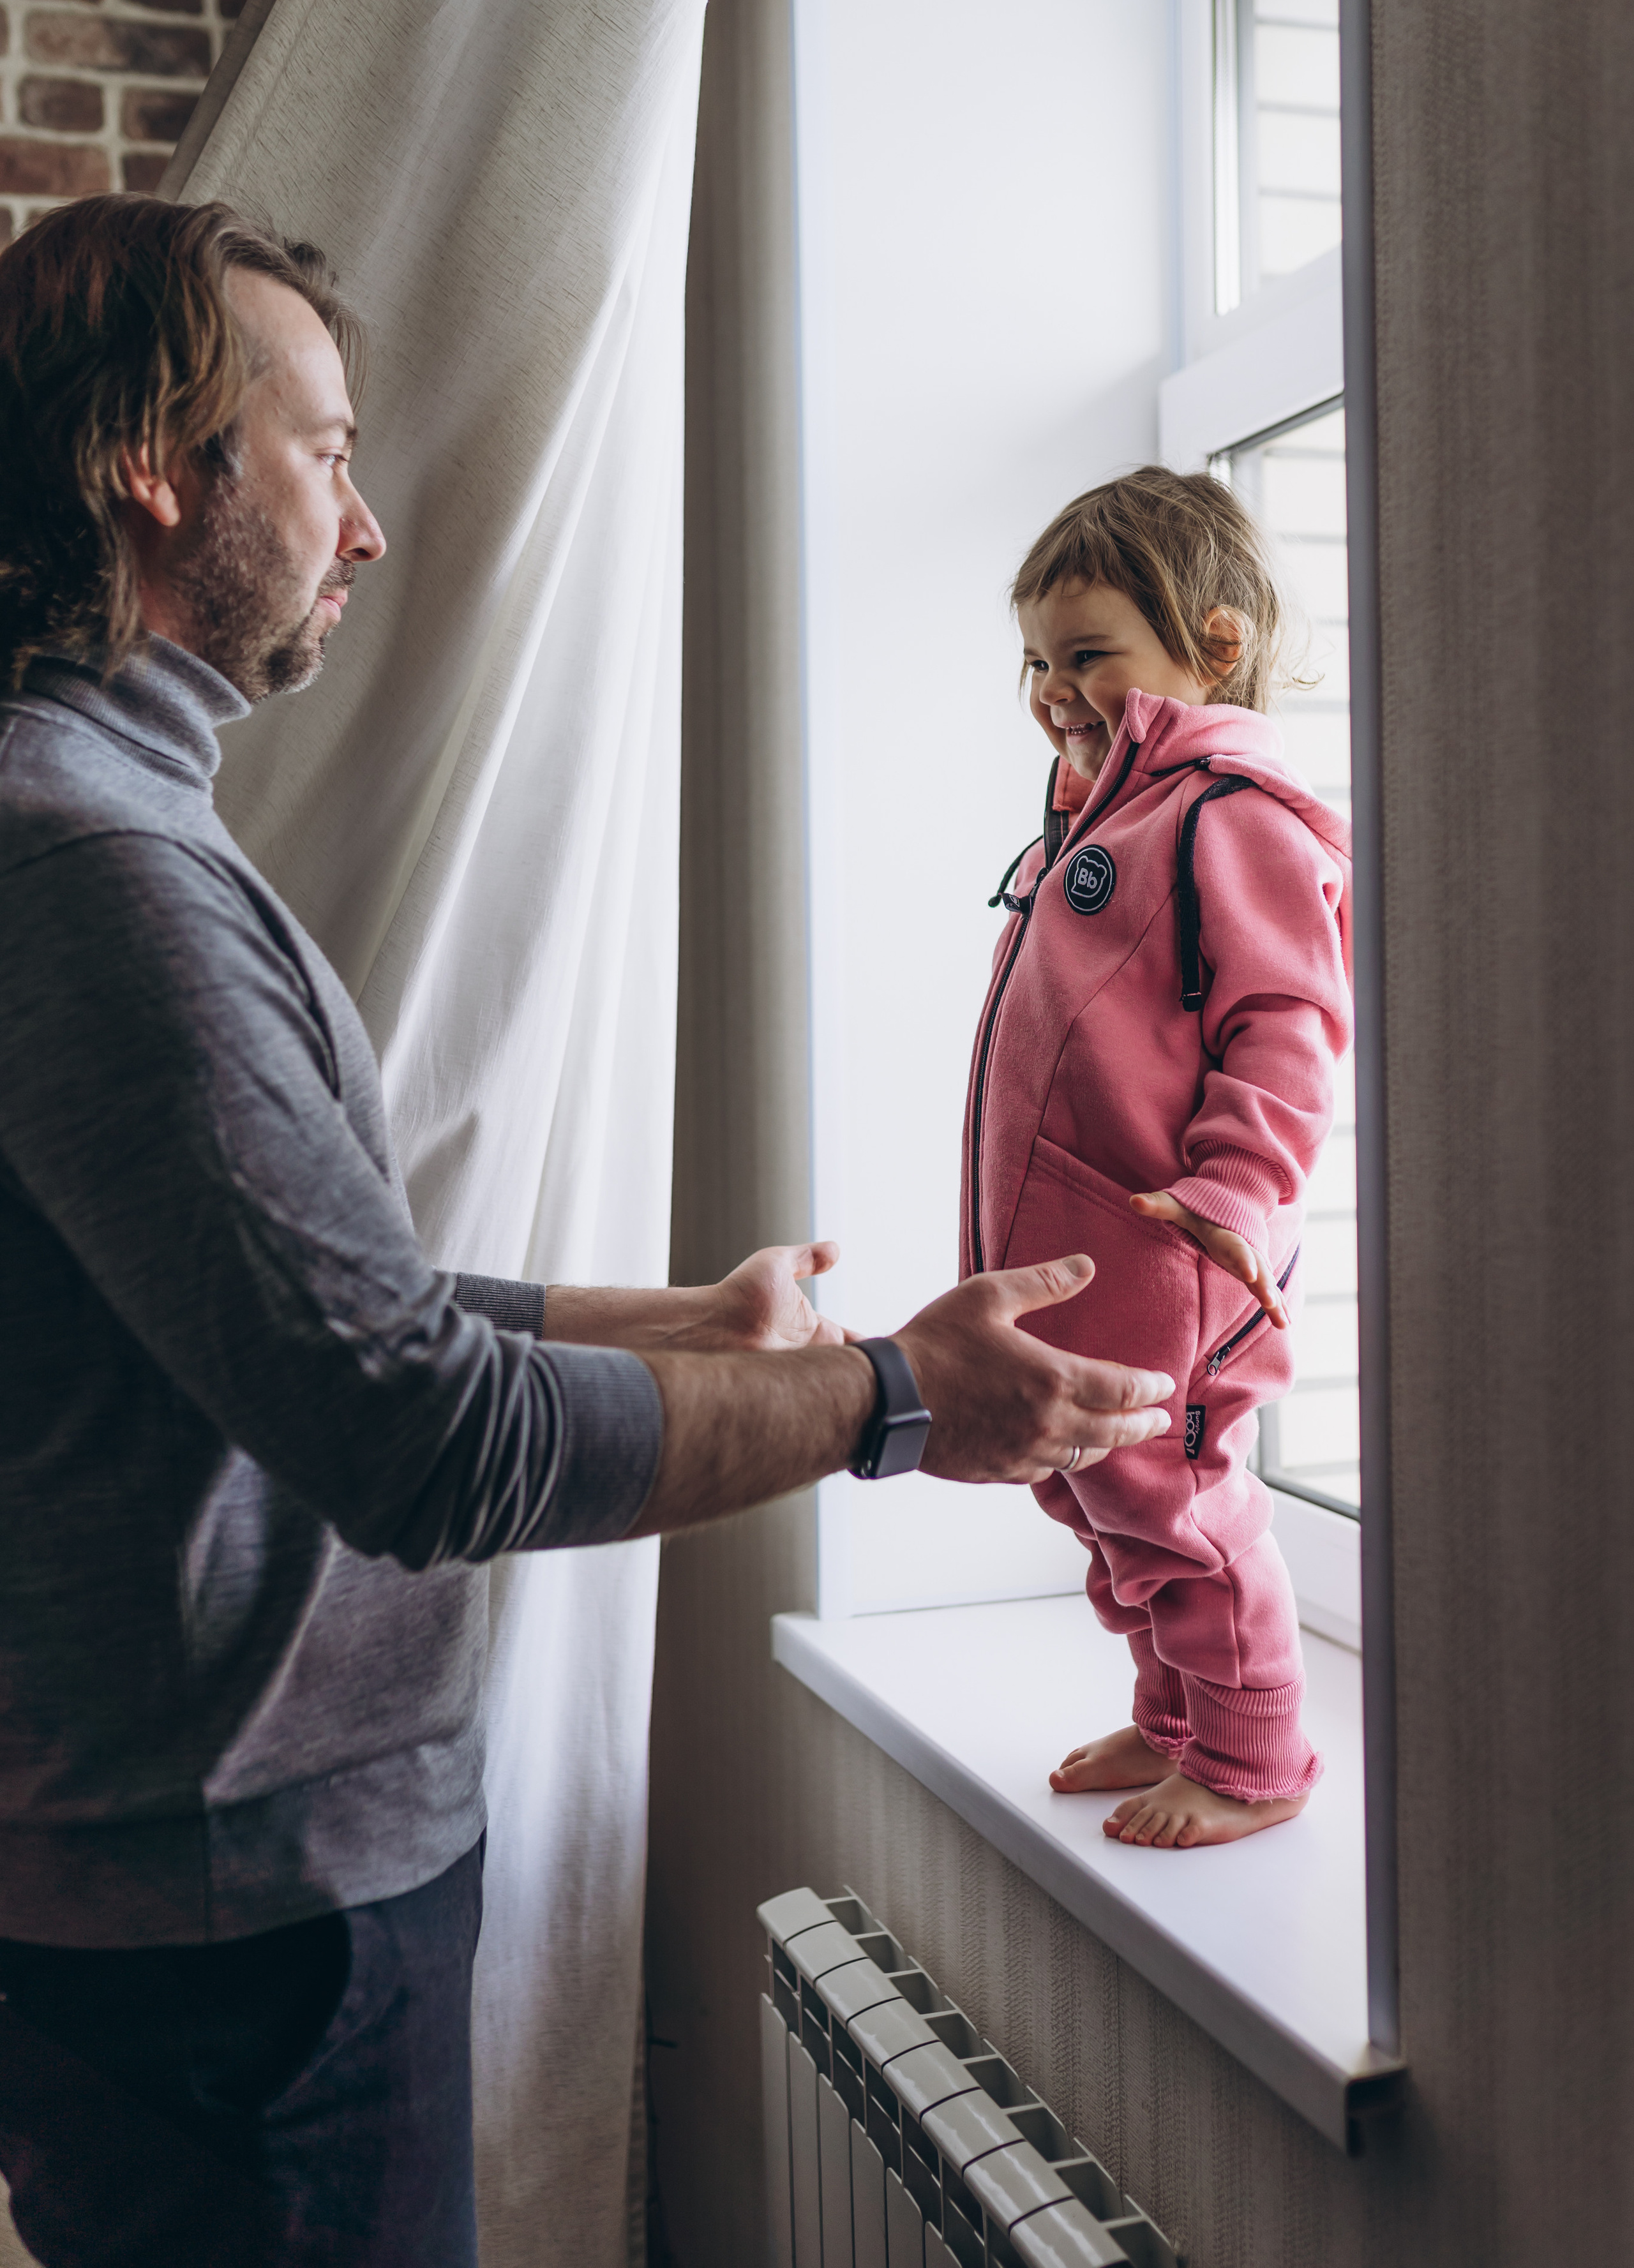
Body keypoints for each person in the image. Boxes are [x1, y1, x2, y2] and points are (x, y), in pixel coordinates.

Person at [0, 196, 1176, 2267]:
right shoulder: (97, 872)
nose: (361, 529)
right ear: (157, 469)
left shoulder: (104, 822)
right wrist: (894, 1403)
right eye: (327, 450)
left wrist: (695, 1324)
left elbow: (270, 1303)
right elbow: (409, 1432)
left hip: (212, 1910)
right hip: (236, 1945)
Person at [963, 467, 1352, 1851]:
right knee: (1087, 1482)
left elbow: (1288, 1025)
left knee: (1170, 1495)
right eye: (1035, 660)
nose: (1052, 689)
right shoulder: (1104, 812)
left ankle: (1254, 1757)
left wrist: (1233, 1191)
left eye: (1086, 657)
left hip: (1176, 1251)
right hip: (1077, 1251)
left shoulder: (1225, 814)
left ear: (1214, 642)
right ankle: (1179, 1713)